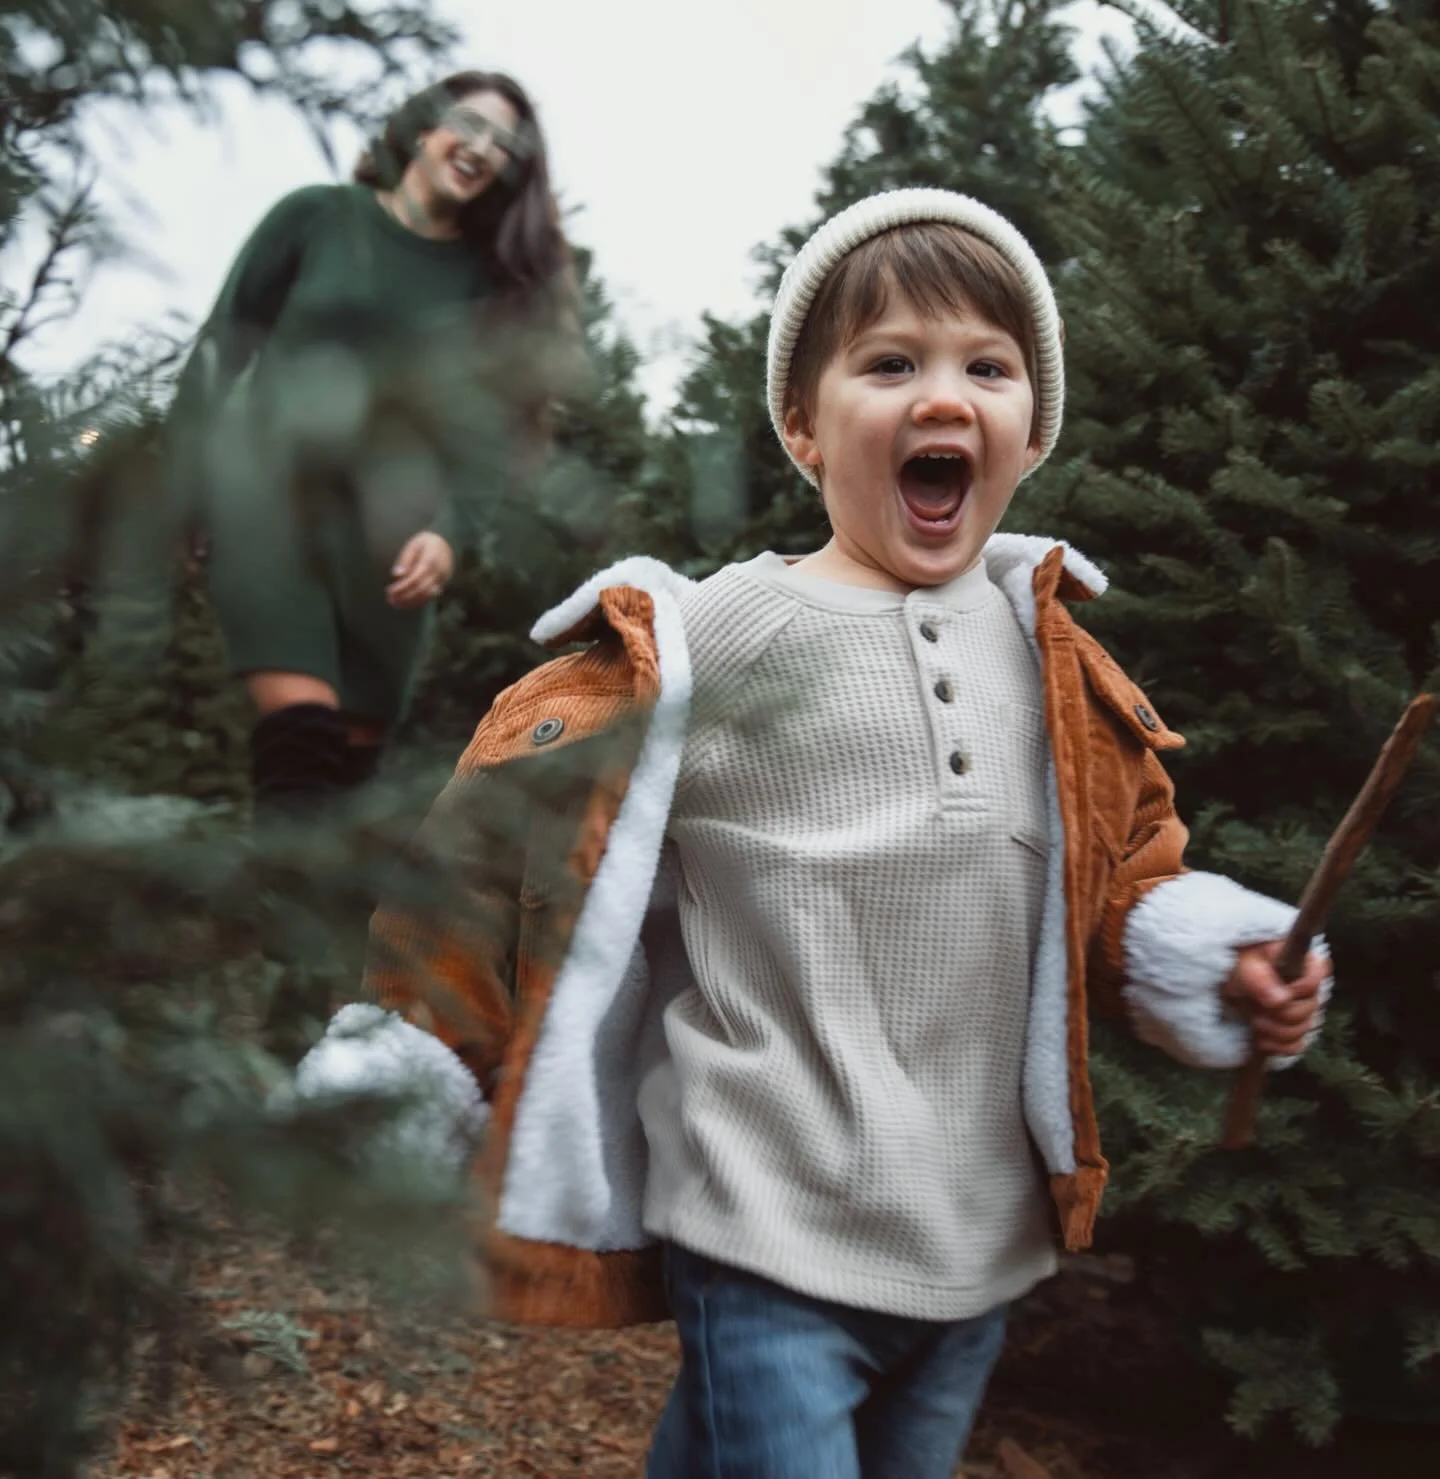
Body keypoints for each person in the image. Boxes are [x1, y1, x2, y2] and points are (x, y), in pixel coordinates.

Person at [298, 189, 1331, 1478]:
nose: (943, 397)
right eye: (891, 363)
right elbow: (505, 846)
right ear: (803, 425)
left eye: (987, 368)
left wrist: (1217, 961)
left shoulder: (1057, 663)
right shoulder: (723, 639)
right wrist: (419, 1046)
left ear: (1031, 430)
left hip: (981, 1238)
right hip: (763, 1215)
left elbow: (1124, 875)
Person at [169, 70, 578, 819]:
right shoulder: (316, 218)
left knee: (346, 788)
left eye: (506, 145)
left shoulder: (492, 288)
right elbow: (218, 350)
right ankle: (289, 937)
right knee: (301, 744)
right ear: (423, 126)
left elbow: (484, 436)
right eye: (470, 124)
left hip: (389, 556)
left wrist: (450, 535)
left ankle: (305, 931)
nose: (483, 149)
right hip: (267, 506)